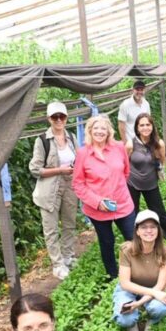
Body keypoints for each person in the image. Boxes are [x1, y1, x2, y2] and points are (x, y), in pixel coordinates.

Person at [73, 115, 135, 279]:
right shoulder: (83, 153)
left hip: (122, 204)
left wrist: (117, 189)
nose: (100, 131)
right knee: (107, 241)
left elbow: (126, 172)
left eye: (103, 128)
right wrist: (98, 201)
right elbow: (78, 184)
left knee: (133, 237)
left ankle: (140, 270)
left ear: (109, 131)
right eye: (96, 128)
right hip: (97, 209)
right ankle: (113, 275)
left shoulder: (119, 147)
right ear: (90, 131)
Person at [29, 101, 79, 281]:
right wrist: (60, 170)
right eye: (55, 117)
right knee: (51, 228)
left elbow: (79, 159)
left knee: (69, 223)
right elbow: (35, 169)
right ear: (49, 119)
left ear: (66, 118)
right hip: (49, 189)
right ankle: (57, 264)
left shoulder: (71, 137)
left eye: (62, 116)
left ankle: (68, 256)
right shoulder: (42, 140)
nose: (59, 120)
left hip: (70, 186)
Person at [113, 210, 166, 331]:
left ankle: (152, 320)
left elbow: (160, 285)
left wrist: (138, 304)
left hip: (153, 288)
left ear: (158, 230)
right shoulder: (127, 250)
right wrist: (154, 294)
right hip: (130, 289)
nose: (149, 231)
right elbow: (125, 283)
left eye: (153, 227)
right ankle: (132, 321)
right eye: (144, 227)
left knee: (159, 308)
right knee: (125, 319)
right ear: (137, 231)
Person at [125, 113, 166, 250]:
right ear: (137, 128)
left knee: (160, 213)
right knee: (133, 214)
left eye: (148, 124)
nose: (145, 128)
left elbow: (161, 161)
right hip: (133, 183)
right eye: (142, 125)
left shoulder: (158, 144)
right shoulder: (130, 144)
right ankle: (137, 244)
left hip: (150, 183)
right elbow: (125, 163)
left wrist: (158, 172)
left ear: (152, 126)